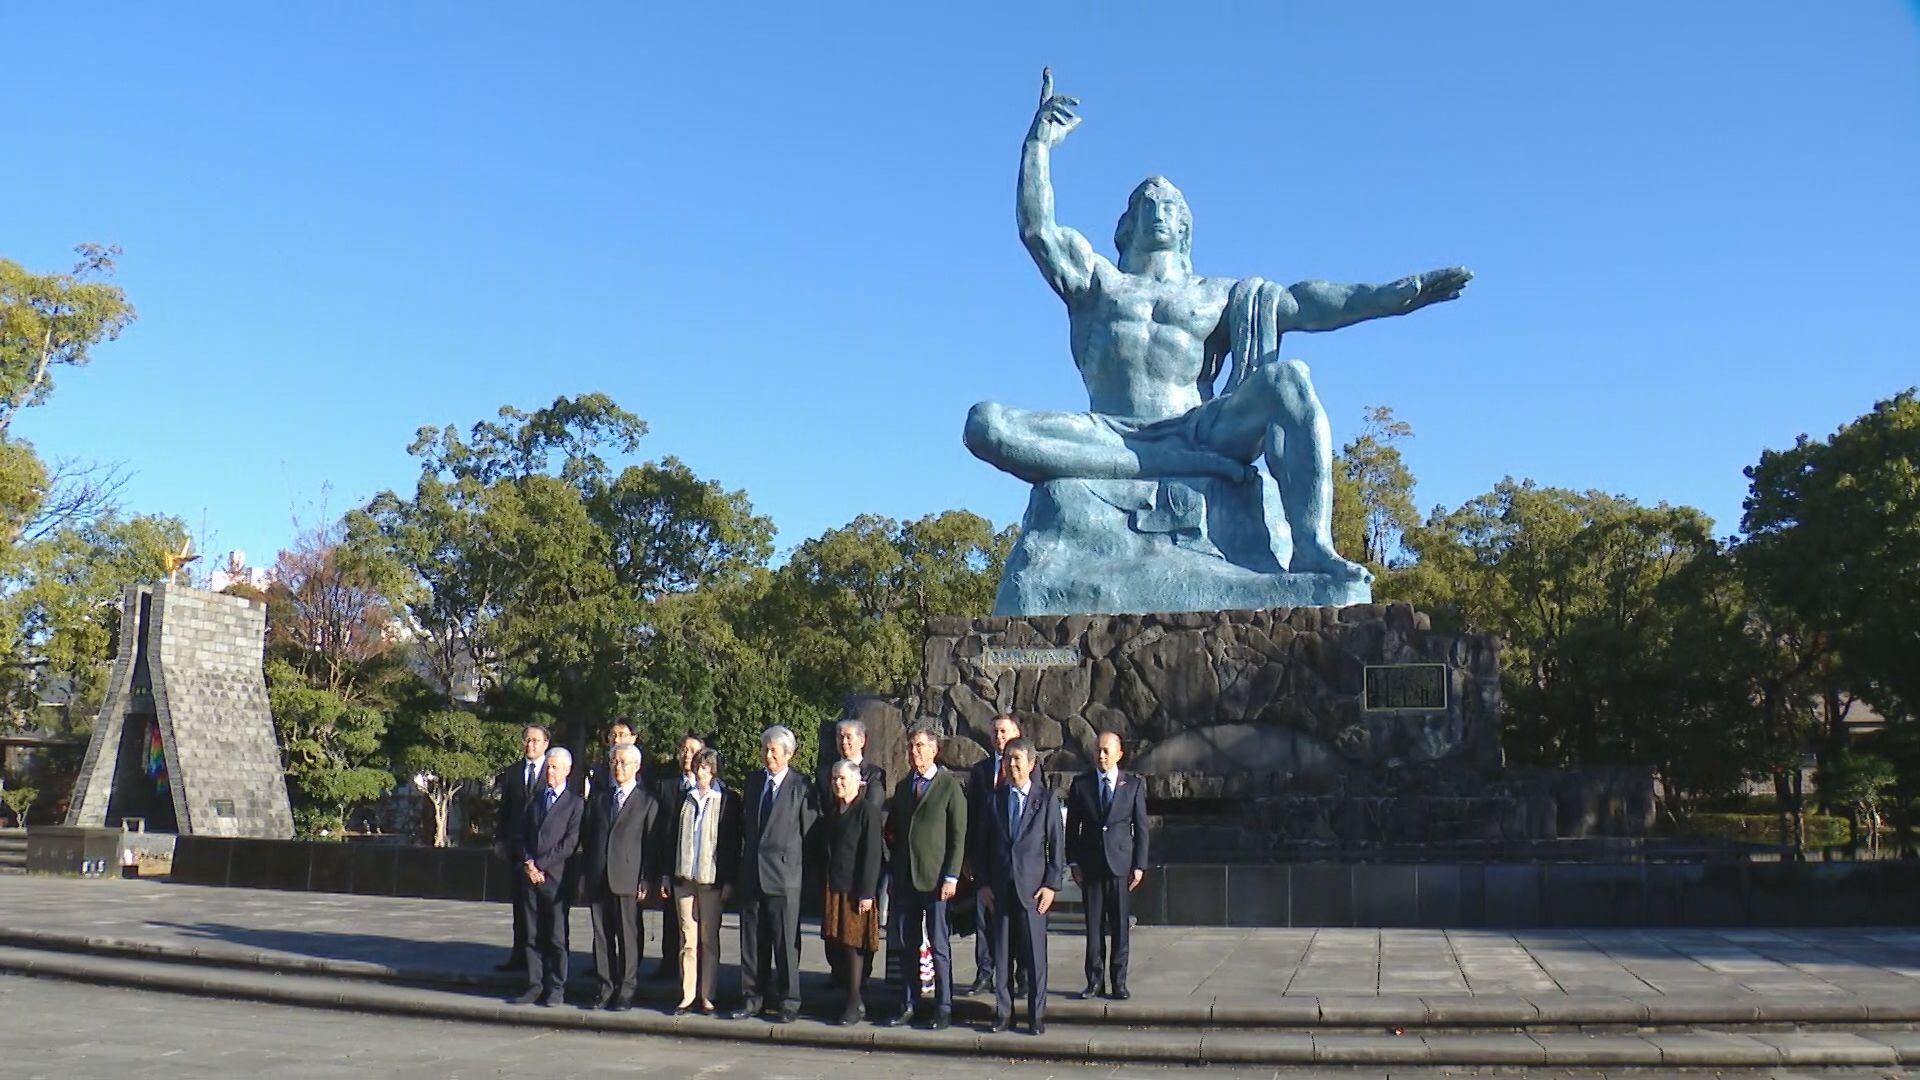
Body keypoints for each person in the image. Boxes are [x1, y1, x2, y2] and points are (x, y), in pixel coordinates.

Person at [964, 70, 1470, 584]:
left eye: (1169, 206)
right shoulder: (1097, 281)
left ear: (1185, 226)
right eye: (1146, 204)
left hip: (1199, 429)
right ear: (1127, 222)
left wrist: (1391, 297)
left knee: (1289, 379)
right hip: (1109, 431)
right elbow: (1037, 229)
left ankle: (1313, 546)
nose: (1158, 212)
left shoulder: (1222, 294)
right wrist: (1038, 146)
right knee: (985, 423)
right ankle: (1159, 462)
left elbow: (1307, 303)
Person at [878, 726, 967, 1030]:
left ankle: (943, 1005)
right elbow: (895, 831)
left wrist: (952, 876)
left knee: (939, 945)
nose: (914, 752)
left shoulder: (948, 787)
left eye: (919, 746)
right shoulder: (904, 787)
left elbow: (958, 835)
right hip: (906, 880)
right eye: (911, 746)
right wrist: (894, 869)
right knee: (907, 943)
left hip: (936, 879)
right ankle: (908, 1002)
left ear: (934, 749)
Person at [729, 725, 818, 1024]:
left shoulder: (801, 786)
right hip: (753, 873)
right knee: (752, 941)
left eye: (774, 751)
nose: (768, 756)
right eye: (765, 749)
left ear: (788, 754)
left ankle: (789, 999)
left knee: (784, 942)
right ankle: (752, 996)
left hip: (783, 875)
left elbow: (809, 832)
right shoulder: (754, 782)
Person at [976, 737, 1064, 1035]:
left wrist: (1051, 885)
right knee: (1001, 954)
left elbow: (1056, 848)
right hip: (1000, 889)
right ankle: (1004, 1012)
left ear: (1031, 763)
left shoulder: (1046, 800)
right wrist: (983, 884)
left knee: (1035, 957)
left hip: (1033, 891)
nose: (1012, 765)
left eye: (1017, 759)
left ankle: (1036, 1015)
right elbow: (984, 846)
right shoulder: (995, 799)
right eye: (1007, 760)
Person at [1066, 732, 1149, 1000]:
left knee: (1120, 927)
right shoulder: (1081, 785)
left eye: (1106, 751)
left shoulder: (1132, 785)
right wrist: (1074, 862)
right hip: (1091, 867)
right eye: (1098, 751)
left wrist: (1139, 864)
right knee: (1093, 928)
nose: (1101, 756)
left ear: (1118, 754)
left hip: (1120, 866)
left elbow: (1141, 828)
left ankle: (1119, 981)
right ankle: (1094, 981)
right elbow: (1072, 829)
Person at [577, 742, 659, 1010]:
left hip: (628, 877)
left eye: (624, 762)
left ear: (636, 767)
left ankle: (626, 988)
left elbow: (651, 843)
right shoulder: (600, 798)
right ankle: (604, 986)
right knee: (601, 936)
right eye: (614, 762)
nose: (618, 767)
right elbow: (588, 836)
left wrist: (646, 877)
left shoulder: (647, 801)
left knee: (627, 936)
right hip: (599, 876)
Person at [662, 747, 736, 1015]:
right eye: (697, 767)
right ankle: (687, 994)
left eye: (705, 768)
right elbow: (671, 837)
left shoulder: (726, 799)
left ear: (714, 770)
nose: (700, 772)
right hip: (684, 878)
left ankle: (708, 994)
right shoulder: (685, 798)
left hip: (711, 879)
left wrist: (728, 880)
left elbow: (730, 843)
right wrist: (667, 875)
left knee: (708, 939)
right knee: (687, 939)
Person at [511, 746, 584, 1006]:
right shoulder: (536, 799)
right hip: (530, 876)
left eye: (555, 767)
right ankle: (534, 984)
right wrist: (529, 863)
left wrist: (542, 864)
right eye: (548, 767)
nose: (550, 772)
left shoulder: (575, 803)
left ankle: (556, 987)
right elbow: (521, 834)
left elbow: (570, 842)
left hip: (556, 877)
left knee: (555, 935)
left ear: (567, 770)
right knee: (531, 933)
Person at [819, 717, 887, 989]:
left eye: (849, 737)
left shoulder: (874, 775)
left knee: (857, 930)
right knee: (833, 929)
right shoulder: (827, 773)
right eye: (840, 737)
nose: (844, 742)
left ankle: (859, 983)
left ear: (862, 740)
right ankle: (838, 977)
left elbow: (870, 815)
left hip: (860, 866)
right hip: (834, 866)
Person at [966, 713, 1022, 996]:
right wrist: (969, 858)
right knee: (983, 919)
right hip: (986, 858)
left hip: (1018, 862)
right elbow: (971, 816)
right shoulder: (979, 771)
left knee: (1020, 921)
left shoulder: (1031, 768)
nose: (999, 737)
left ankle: (1021, 975)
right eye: (995, 732)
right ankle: (984, 973)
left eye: (1004, 732)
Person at [493, 724, 550, 972]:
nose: (531, 745)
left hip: (546, 851)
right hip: (518, 848)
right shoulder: (513, 772)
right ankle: (519, 956)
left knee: (545, 909)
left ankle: (544, 959)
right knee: (520, 906)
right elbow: (505, 810)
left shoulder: (554, 769)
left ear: (546, 744)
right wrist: (500, 840)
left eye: (536, 741)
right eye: (527, 740)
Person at [651, 732, 705, 983]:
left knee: (697, 919)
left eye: (692, 750)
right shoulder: (666, 786)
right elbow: (660, 830)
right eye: (683, 749)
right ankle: (669, 964)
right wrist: (661, 871)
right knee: (671, 917)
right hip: (673, 861)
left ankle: (697, 969)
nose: (687, 755)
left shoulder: (710, 787)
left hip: (700, 863)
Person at [585, 720, 639, 798]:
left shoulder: (647, 772)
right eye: (612, 735)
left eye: (622, 735)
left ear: (633, 738)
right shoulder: (599, 772)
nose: (616, 740)